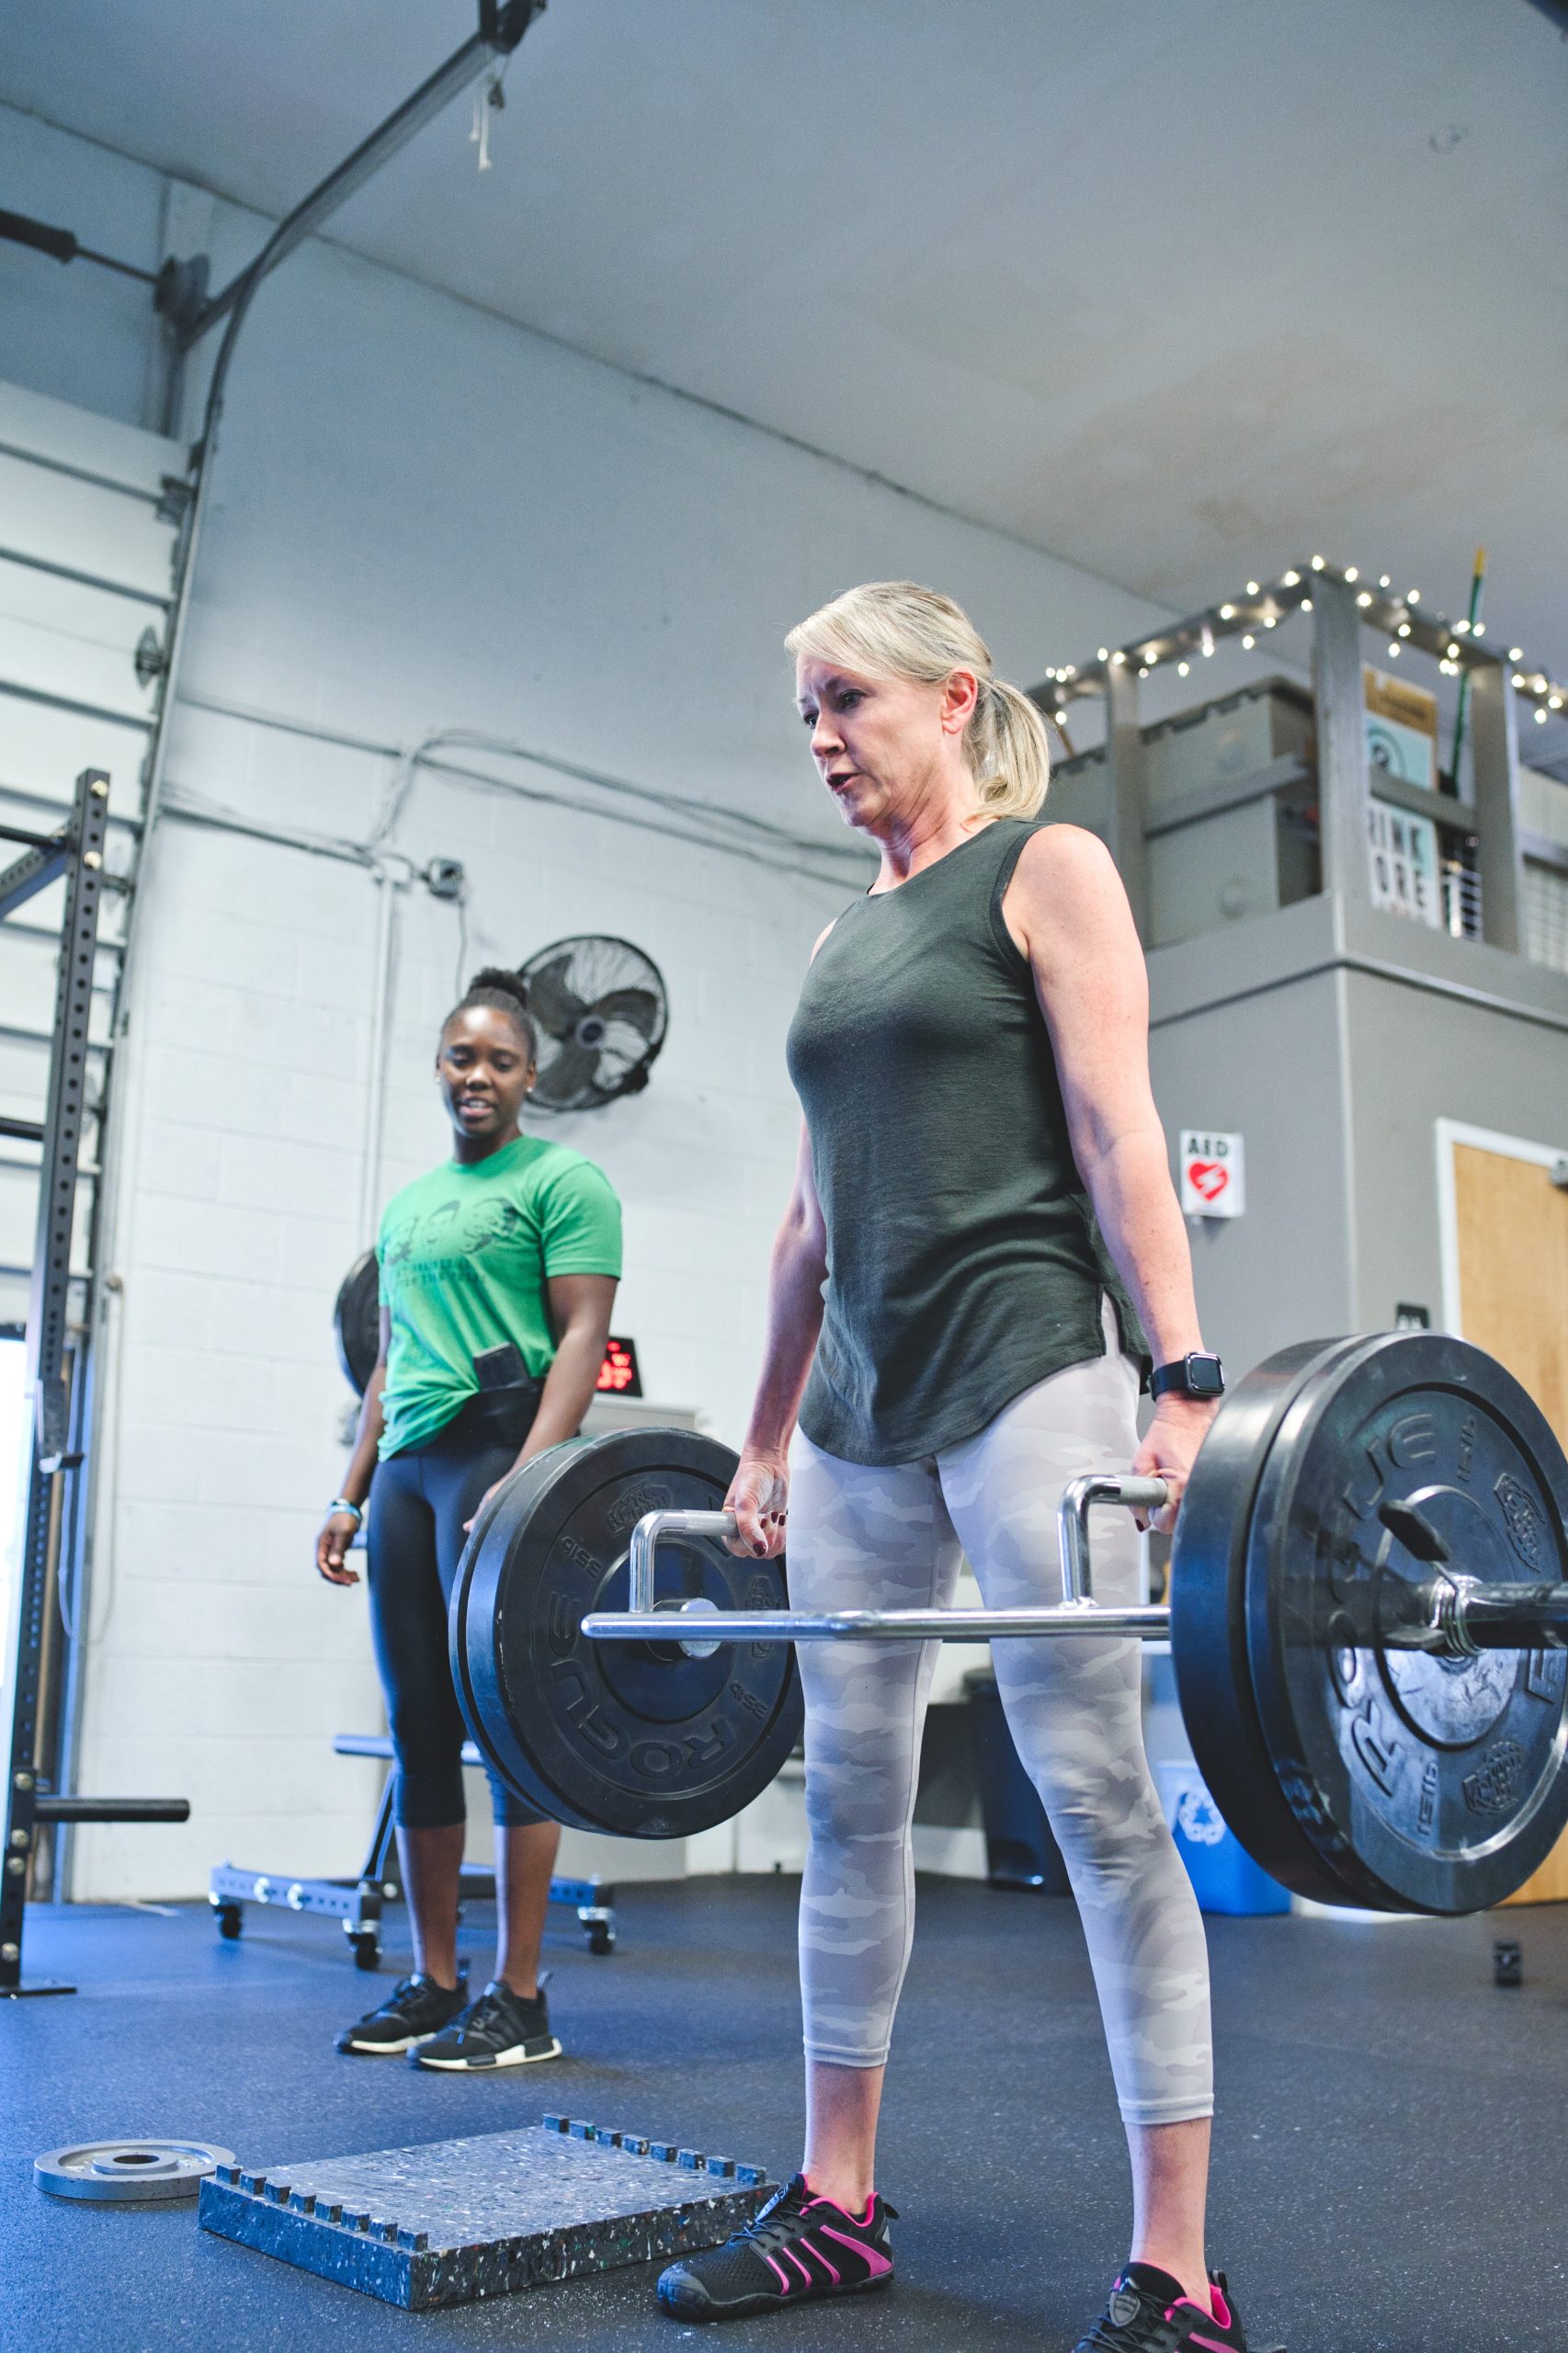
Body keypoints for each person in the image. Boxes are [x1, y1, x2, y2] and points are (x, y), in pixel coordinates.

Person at [657, 585, 1253, 2351]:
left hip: (1024, 1368)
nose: (824, 738)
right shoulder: (847, 935)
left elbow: (1112, 1122)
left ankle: (1179, 2273)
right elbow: (802, 1219)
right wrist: (760, 1436)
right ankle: (837, 2203)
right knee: (847, 1799)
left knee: (1091, 1794)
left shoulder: (1044, 867)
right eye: (806, 716)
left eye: (846, 700)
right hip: (857, 1405)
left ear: (951, 694)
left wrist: (1185, 1373)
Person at [317, 967, 621, 2071]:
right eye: (460, 1057)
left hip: (495, 1460)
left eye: (498, 1060)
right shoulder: (404, 1209)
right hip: (407, 1473)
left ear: (531, 1077)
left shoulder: (564, 1180)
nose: (477, 1076)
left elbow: (581, 1336)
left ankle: (520, 1992)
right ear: (438, 1067)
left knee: (513, 1726)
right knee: (418, 1726)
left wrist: (531, 1475)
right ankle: (436, 1978)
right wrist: (349, 1491)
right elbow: (389, 1365)